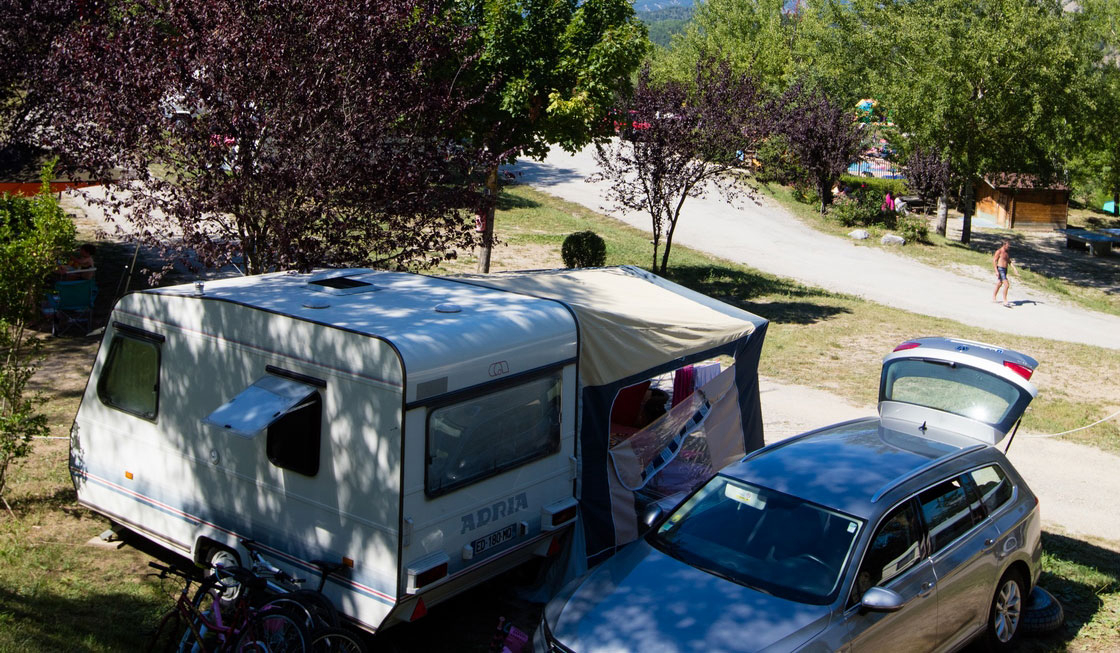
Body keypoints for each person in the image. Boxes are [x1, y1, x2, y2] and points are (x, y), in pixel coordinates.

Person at [992, 240, 1018, 307]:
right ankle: (1005, 300)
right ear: (1004, 245)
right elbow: (994, 261)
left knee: (999, 283)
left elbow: (1009, 261)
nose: (1009, 247)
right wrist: (996, 271)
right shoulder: (999, 251)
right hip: (1000, 269)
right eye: (1008, 246)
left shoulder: (1007, 253)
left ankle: (994, 296)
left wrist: (1014, 269)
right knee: (1006, 285)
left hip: (1005, 269)